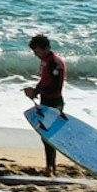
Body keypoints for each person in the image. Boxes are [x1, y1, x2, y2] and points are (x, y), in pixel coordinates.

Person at [22, 33, 68, 176]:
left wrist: (36, 90)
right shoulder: (46, 61)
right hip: (46, 101)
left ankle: (50, 168)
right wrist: (35, 91)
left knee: (48, 136)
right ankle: (51, 167)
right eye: (35, 52)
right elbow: (44, 80)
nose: (36, 55)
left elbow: (54, 87)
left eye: (38, 51)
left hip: (54, 102)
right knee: (46, 136)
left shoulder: (54, 63)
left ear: (46, 48)